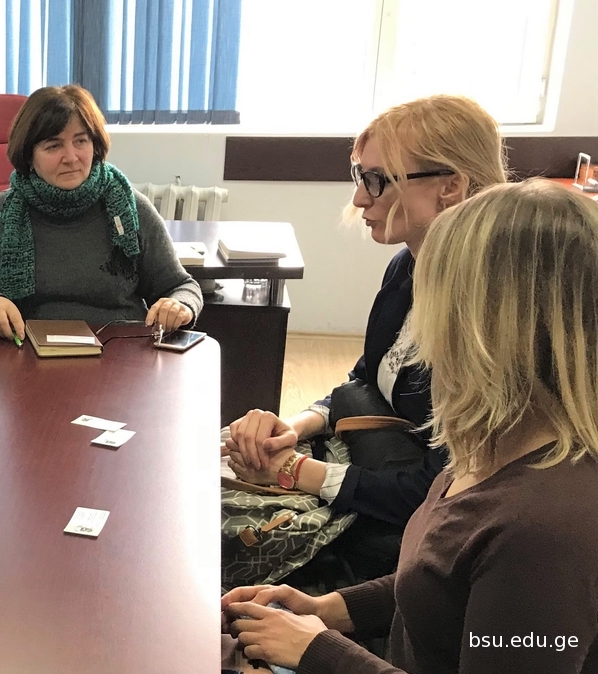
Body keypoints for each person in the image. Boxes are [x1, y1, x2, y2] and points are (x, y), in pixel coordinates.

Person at [222, 179, 598, 673]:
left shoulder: (547, 534)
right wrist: (331, 609)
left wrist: (320, 651)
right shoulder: (492, 443)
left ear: (491, 328)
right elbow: (437, 584)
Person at [226, 95, 507, 577]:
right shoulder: (407, 267)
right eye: (361, 177)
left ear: (451, 186)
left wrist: (293, 471)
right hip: (371, 471)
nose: (359, 199)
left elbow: (445, 489)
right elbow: (366, 379)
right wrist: (293, 427)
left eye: (378, 180)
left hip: (411, 536)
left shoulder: (488, 316)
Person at [0, 84, 202, 339]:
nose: (71, 157)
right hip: (27, 352)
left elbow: (181, 286)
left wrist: (179, 305)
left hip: (120, 353)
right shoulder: (2, 212)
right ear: (29, 156)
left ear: (95, 145)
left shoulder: (131, 209)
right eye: (54, 146)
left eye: (81, 141)